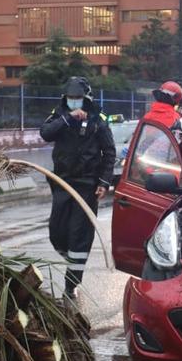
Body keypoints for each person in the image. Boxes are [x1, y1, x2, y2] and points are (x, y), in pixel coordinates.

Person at [40, 77, 116, 301]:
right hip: (62, 183)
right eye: (70, 98)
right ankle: (68, 260)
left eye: (77, 98)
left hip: (87, 186)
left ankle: (71, 284)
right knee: (57, 231)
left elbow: (109, 152)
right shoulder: (60, 113)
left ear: (86, 98)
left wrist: (104, 182)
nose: (74, 102)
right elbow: (45, 132)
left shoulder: (98, 118)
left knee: (78, 236)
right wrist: (66, 118)